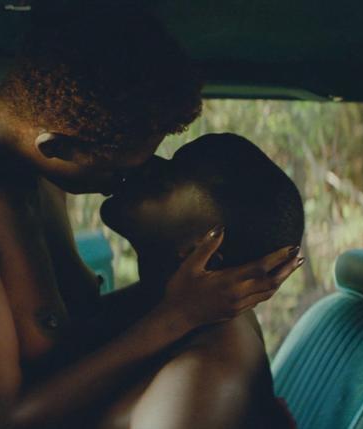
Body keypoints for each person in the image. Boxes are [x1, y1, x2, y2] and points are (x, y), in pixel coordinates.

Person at [0, 10, 302, 429]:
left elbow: (71, 332)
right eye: (118, 171)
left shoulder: (42, 172)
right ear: (57, 148)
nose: (130, 181)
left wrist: (202, 293)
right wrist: (175, 317)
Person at [92, 133, 304, 429]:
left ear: (205, 257)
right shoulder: (170, 305)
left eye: (164, 183)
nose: (147, 163)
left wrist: (174, 319)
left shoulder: (197, 382)